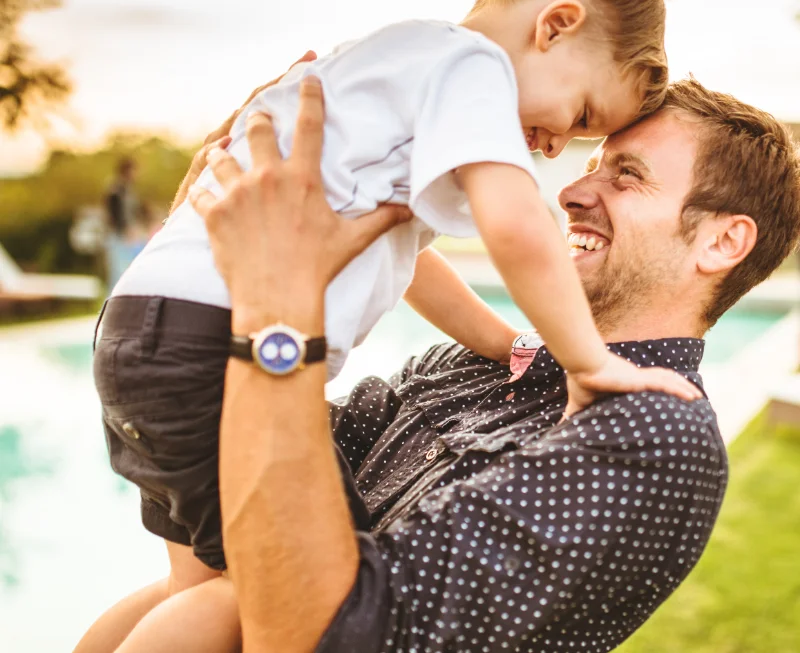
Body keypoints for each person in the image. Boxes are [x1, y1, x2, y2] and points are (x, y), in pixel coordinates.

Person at [78, 0, 696, 652]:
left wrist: (505, 341)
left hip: (143, 331)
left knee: (192, 589)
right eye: (583, 118)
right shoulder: (471, 70)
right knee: (253, 592)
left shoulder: (396, 81)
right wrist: (588, 358)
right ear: (555, 26)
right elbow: (518, 226)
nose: (559, 151)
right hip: (214, 339)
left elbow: (407, 257)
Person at [79, 75, 800, 653]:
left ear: (721, 242)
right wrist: (207, 251)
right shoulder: (486, 360)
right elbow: (271, 465)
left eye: (628, 176)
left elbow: (327, 636)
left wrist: (278, 307)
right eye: (589, 167)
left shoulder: (657, 434)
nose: (573, 194)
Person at [104, 156, 140, 290]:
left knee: (126, 271)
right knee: (117, 273)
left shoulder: (128, 189)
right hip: (118, 236)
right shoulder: (116, 188)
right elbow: (115, 213)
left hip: (125, 236)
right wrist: (125, 229)